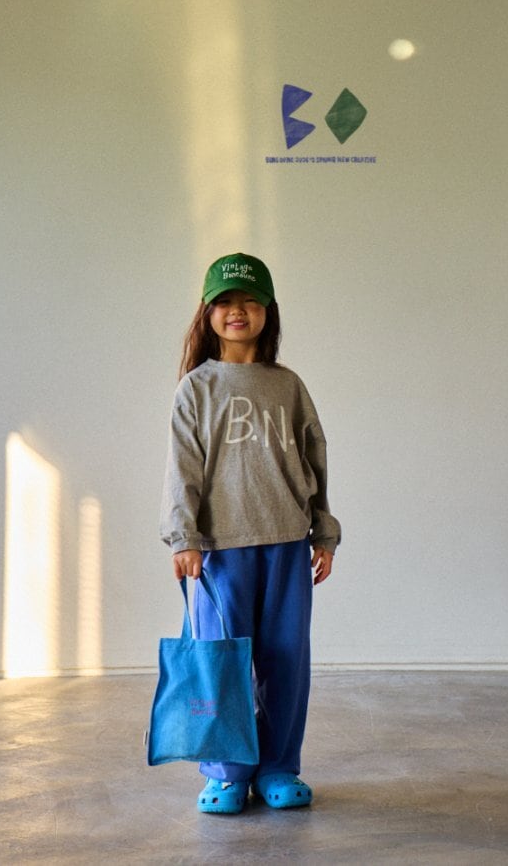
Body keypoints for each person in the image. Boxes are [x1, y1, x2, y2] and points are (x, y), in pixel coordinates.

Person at [160, 252, 341, 815]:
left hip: (286, 544)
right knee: (224, 664)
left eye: (249, 301)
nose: (237, 311)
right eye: (225, 301)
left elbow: (315, 458)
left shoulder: (288, 386)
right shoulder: (197, 388)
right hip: (220, 553)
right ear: (207, 312)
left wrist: (323, 531)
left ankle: (279, 766)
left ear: (268, 311)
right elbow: (182, 468)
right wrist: (183, 536)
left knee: (286, 660)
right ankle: (228, 772)